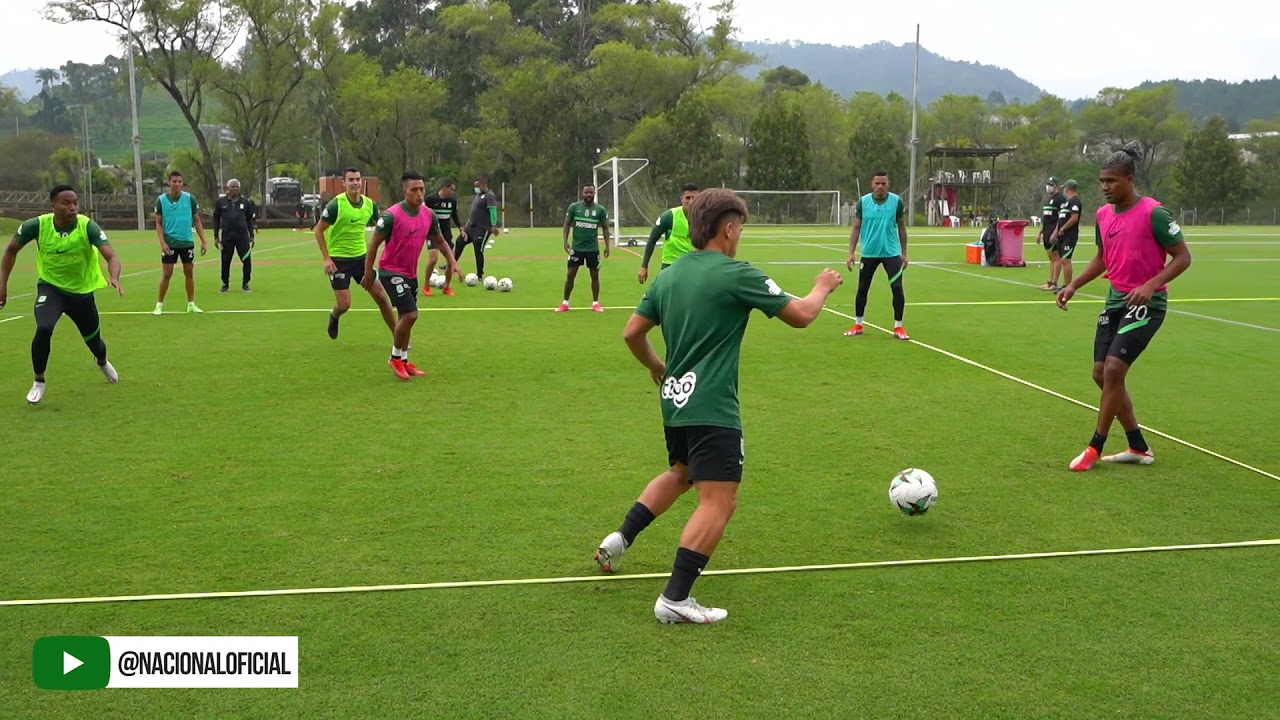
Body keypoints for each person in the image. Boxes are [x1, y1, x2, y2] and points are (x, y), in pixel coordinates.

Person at [594, 188, 843, 624]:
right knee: (719, 501)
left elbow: (632, 333)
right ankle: (675, 598)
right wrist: (822, 287)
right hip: (713, 406)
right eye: (740, 229)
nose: (739, 237)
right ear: (728, 229)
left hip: (676, 401)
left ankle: (620, 539)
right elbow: (802, 314)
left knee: (681, 474)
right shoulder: (736, 273)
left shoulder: (668, 276)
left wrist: (657, 367)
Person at [1056, 143, 1192, 472]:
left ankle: (1095, 447)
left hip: (1148, 303)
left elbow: (1183, 257)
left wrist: (1150, 285)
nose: (1105, 187)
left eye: (1112, 181)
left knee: (1115, 370)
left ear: (1130, 180)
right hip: (1115, 300)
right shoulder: (1103, 216)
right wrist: (1073, 285)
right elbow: (1102, 258)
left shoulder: (1154, 213)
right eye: (1102, 181)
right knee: (1100, 374)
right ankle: (1138, 446)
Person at [0, 185, 124, 404]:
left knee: (95, 343)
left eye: (75, 203)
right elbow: (11, 250)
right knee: (44, 327)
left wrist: (114, 277)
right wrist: (3, 285)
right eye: (66, 203)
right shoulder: (37, 226)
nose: (72, 207)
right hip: (51, 288)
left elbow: (111, 256)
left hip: (81, 293)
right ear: (53, 205)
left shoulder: (87, 226)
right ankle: (39, 381)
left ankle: (102, 362)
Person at [362, 171, 460, 381]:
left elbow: (440, 241)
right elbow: (374, 244)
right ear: (404, 191)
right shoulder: (391, 216)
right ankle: (395, 358)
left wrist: (452, 261)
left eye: (421, 189)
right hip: (390, 271)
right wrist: (368, 272)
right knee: (411, 315)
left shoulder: (428, 215)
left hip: (410, 273)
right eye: (414, 190)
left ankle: (405, 361)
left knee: (406, 318)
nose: (419, 193)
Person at [313, 167, 398, 340]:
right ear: (343, 183)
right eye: (351, 180)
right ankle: (335, 315)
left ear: (362, 181)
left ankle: (398, 336)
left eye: (358, 179)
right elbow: (319, 230)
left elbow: (383, 227)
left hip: (362, 260)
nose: (355, 183)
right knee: (344, 305)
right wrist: (327, 259)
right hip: (339, 261)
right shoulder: (336, 205)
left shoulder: (369, 205)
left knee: (381, 297)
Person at [844, 170, 910, 340]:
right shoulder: (864, 202)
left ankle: (898, 326)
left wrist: (904, 253)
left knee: (897, 288)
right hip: (869, 253)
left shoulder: (896, 202)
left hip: (891, 253)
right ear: (872, 184)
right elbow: (856, 227)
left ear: (888, 184)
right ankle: (858, 324)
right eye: (877, 183)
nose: (880, 186)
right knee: (862, 288)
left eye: (883, 183)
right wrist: (851, 253)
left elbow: (901, 226)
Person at [153, 170, 208, 315]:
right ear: (169, 183)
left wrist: (204, 241)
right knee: (167, 274)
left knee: (189, 273)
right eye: (174, 181)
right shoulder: (161, 200)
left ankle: (191, 304)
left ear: (182, 183)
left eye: (179, 181)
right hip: (170, 242)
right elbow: (158, 223)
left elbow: (197, 220)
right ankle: (159, 305)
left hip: (187, 242)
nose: (177, 184)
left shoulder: (190, 199)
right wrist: (162, 243)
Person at [556, 184, 611, 312]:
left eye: (591, 192)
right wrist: (565, 242)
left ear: (595, 193)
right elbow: (566, 225)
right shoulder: (574, 207)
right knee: (570, 274)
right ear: (582, 193)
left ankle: (595, 303)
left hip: (593, 249)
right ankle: (565, 303)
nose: (589, 195)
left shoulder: (601, 210)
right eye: (586, 192)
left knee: (595, 276)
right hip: (577, 248)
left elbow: (605, 228)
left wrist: (608, 246)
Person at [638, 183, 699, 283]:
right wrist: (644, 266)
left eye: (694, 198)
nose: (691, 201)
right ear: (682, 199)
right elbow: (652, 240)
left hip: (694, 265)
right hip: (670, 266)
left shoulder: (705, 218)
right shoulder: (669, 216)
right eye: (688, 198)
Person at [213, 178, 257, 293]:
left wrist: (252, 235)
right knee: (225, 261)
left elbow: (249, 220)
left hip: (242, 236)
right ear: (228, 188)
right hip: (227, 236)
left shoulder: (245, 202)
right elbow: (216, 219)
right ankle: (225, 284)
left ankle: (246, 283)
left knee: (246, 260)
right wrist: (216, 236)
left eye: (237, 187)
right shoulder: (221, 202)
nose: (235, 189)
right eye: (232, 186)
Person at [424, 178, 465, 296]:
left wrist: (460, 228)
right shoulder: (430, 199)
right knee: (433, 259)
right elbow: (423, 214)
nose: (452, 192)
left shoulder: (452, 201)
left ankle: (447, 287)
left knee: (450, 260)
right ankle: (426, 286)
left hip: (446, 233)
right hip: (432, 232)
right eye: (451, 189)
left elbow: (454, 215)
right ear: (444, 187)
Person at [458, 176, 499, 279]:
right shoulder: (478, 196)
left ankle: (479, 274)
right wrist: (467, 224)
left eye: (477, 185)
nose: (475, 188)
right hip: (471, 227)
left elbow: (493, 210)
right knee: (459, 242)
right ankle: (451, 265)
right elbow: (474, 212)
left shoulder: (489, 196)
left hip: (482, 229)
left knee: (478, 249)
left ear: (483, 185)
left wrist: (494, 225)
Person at [1049, 179, 1083, 290]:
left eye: (1065, 188)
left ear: (1068, 188)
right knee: (1061, 259)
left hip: (1069, 235)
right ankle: (1063, 284)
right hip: (1061, 236)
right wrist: (1055, 233)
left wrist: (1063, 228)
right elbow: (1061, 219)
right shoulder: (1067, 203)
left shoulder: (1075, 201)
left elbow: (1074, 218)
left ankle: (1067, 286)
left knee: (1065, 259)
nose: (1064, 190)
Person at [1037, 176, 1066, 291]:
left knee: (1056, 257)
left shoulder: (1060, 199)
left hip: (1054, 232)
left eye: (1051, 185)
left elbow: (1062, 217)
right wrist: (1040, 233)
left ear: (1056, 186)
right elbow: (1046, 219)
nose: (1048, 187)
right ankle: (1050, 281)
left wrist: (1056, 232)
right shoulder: (1049, 199)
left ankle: (1054, 282)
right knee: (1051, 258)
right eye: (1048, 184)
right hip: (1047, 231)